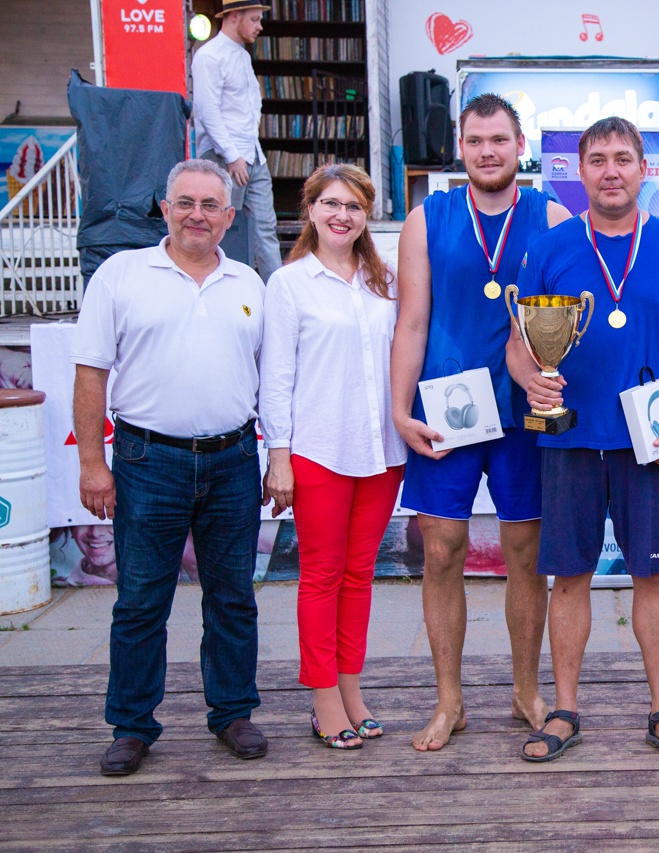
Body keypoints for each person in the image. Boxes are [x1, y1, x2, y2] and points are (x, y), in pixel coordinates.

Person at [512, 116, 659, 763]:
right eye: (598, 159)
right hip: (569, 438)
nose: (611, 171)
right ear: (580, 171)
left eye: (623, 158)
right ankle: (565, 709)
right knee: (569, 578)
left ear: (644, 169)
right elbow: (519, 343)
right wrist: (532, 380)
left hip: (647, 440)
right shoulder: (550, 248)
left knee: (653, 576)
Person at [72, 158, 268, 777]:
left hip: (234, 459)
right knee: (140, 601)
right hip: (146, 460)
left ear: (229, 217)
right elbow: (90, 374)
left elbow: (272, 378)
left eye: (210, 206)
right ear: (164, 208)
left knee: (233, 597)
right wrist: (91, 463)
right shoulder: (121, 275)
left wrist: (279, 457)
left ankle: (232, 712)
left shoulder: (249, 283)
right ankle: (132, 725)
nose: (197, 216)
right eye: (185, 202)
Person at [389, 94, 570, 752]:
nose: (487, 151)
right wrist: (399, 408)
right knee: (441, 551)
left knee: (526, 553)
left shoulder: (552, 217)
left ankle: (525, 690)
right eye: (475, 140)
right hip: (449, 407)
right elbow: (412, 321)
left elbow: (560, 323)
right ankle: (450, 701)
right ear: (459, 147)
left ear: (520, 145)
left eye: (499, 139)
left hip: (524, 409)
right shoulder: (426, 219)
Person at [260, 164, 406, 750]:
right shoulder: (289, 284)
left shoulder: (385, 281)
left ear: (367, 215)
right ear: (311, 210)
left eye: (353, 206)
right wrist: (279, 458)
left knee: (360, 574)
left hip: (382, 450)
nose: (341, 215)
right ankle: (323, 698)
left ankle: (351, 689)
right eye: (331, 203)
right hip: (319, 448)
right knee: (321, 575)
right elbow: (276, 378)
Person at [192, 1, 281, 280]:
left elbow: (250, 107)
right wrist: (232, 155)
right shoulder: (210, 56)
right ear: (233, 17)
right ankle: (220, 288)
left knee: (265, 228)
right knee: (222, 228)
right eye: (254, 19)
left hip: (251, 154)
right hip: (223, 155)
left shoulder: (241, 55)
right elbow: (207, 111)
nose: (259, 26)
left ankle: (277, 294)